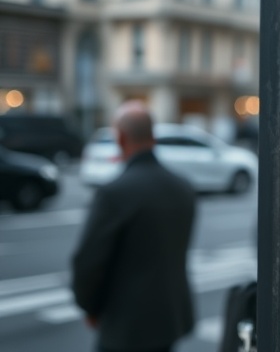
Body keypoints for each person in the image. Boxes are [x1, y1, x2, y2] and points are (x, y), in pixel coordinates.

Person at [72, 101, 197, 352]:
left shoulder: (114, 193)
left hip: (125, 325)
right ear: (153, 136)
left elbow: (87, 263)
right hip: (169, 317)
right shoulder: (182, 187)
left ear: (120, 137)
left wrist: (90, 307)